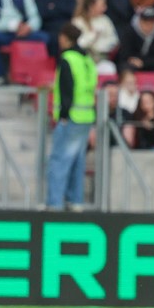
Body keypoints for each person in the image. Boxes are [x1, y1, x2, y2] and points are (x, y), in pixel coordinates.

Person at [46, 23, 98, 210]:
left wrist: (64, 115)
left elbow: (67, 89)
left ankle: (55, 203)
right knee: (77, 161)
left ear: (64, 38)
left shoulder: (68, 59)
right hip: (86, 116)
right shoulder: (87, 59)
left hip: (72, 116)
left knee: (59, 160)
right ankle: (75, 201)